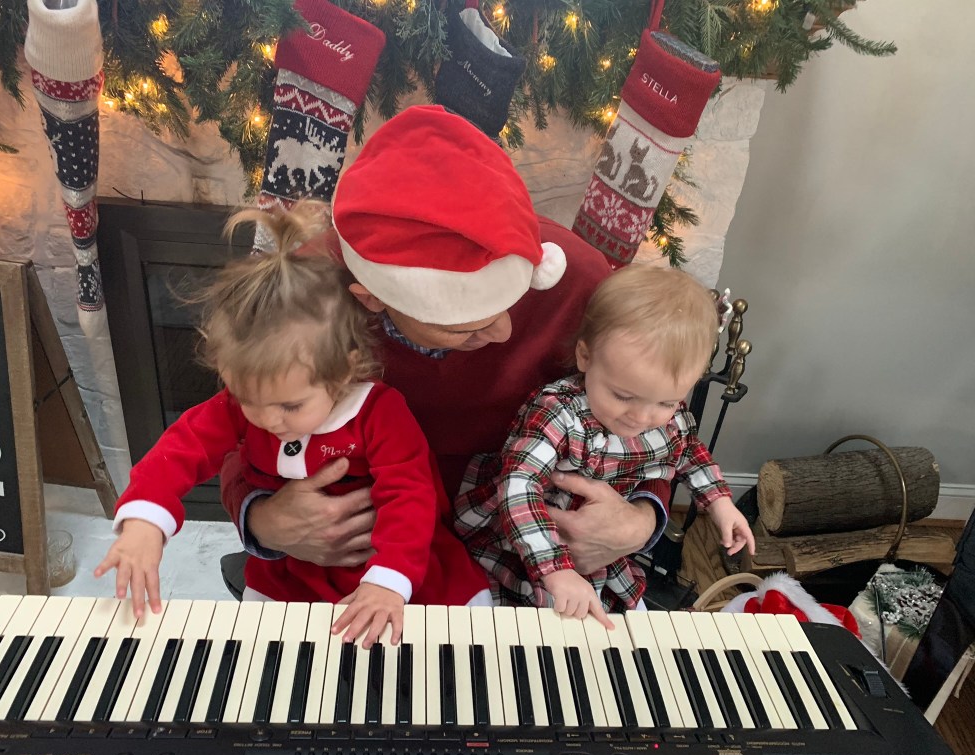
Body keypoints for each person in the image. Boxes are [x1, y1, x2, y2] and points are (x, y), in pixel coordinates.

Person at [221, 105, 674, 587]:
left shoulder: (576, 277)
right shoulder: (305, 291)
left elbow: (651, 400)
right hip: (367, 549)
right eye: (465, 328)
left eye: (513, 303)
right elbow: (235, 422)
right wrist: (264, 520)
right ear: (371, 298)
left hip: (523, 538)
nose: (504, 333)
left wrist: (641, 519)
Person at [95, 204, 492, 646]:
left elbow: (410, 496)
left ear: (343, 372)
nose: (267, 420)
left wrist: (388, 580)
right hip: (297, 572)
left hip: (394, 559)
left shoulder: (378, 412)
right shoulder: (247, 405)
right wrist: (144, 520)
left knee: (443, 646)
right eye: (248, 400)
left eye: (291, 405)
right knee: (271, 657)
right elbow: (180, 449)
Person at [454, 264, 757, 624]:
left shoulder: (669, 416)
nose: (641, 417)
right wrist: (556, 570)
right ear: (585, 356)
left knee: (622, 624)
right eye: (623, 396)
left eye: (666, 401)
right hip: (525, 540)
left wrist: (720, 503)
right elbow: (519, 486)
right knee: (515, 623)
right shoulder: (558, 411)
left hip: (600, 552)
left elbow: (690, 451)